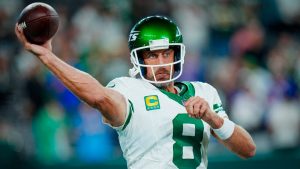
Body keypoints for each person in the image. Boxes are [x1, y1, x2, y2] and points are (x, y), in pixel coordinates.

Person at [15, 15, 256, 169]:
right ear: (137, 59)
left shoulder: (204, 92)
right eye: (151, 55)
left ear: (177, 54)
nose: (161, 62)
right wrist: (48, 57)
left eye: (166, 53)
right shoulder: (128, 89)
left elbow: (248, 150)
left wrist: (213, 119)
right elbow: (98, 96)